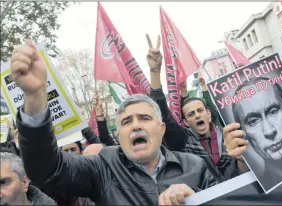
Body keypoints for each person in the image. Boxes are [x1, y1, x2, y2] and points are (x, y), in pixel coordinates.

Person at [12, 40, 217, 205]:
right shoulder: (103, 168)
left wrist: (195, 196)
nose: (136, 125)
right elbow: (46, 169)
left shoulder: (194, 166)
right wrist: (35, 97)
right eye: (126, 121)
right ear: (118, 136)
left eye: (144, 118)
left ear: (162, 129)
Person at [146, 34, 243, 181]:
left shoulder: (227, 132)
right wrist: (155, 72)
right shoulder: (184, 140)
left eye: (200, 111)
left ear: (209, 114)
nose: (197, 116)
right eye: (191, 114)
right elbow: (163, 112)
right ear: (185, 122)